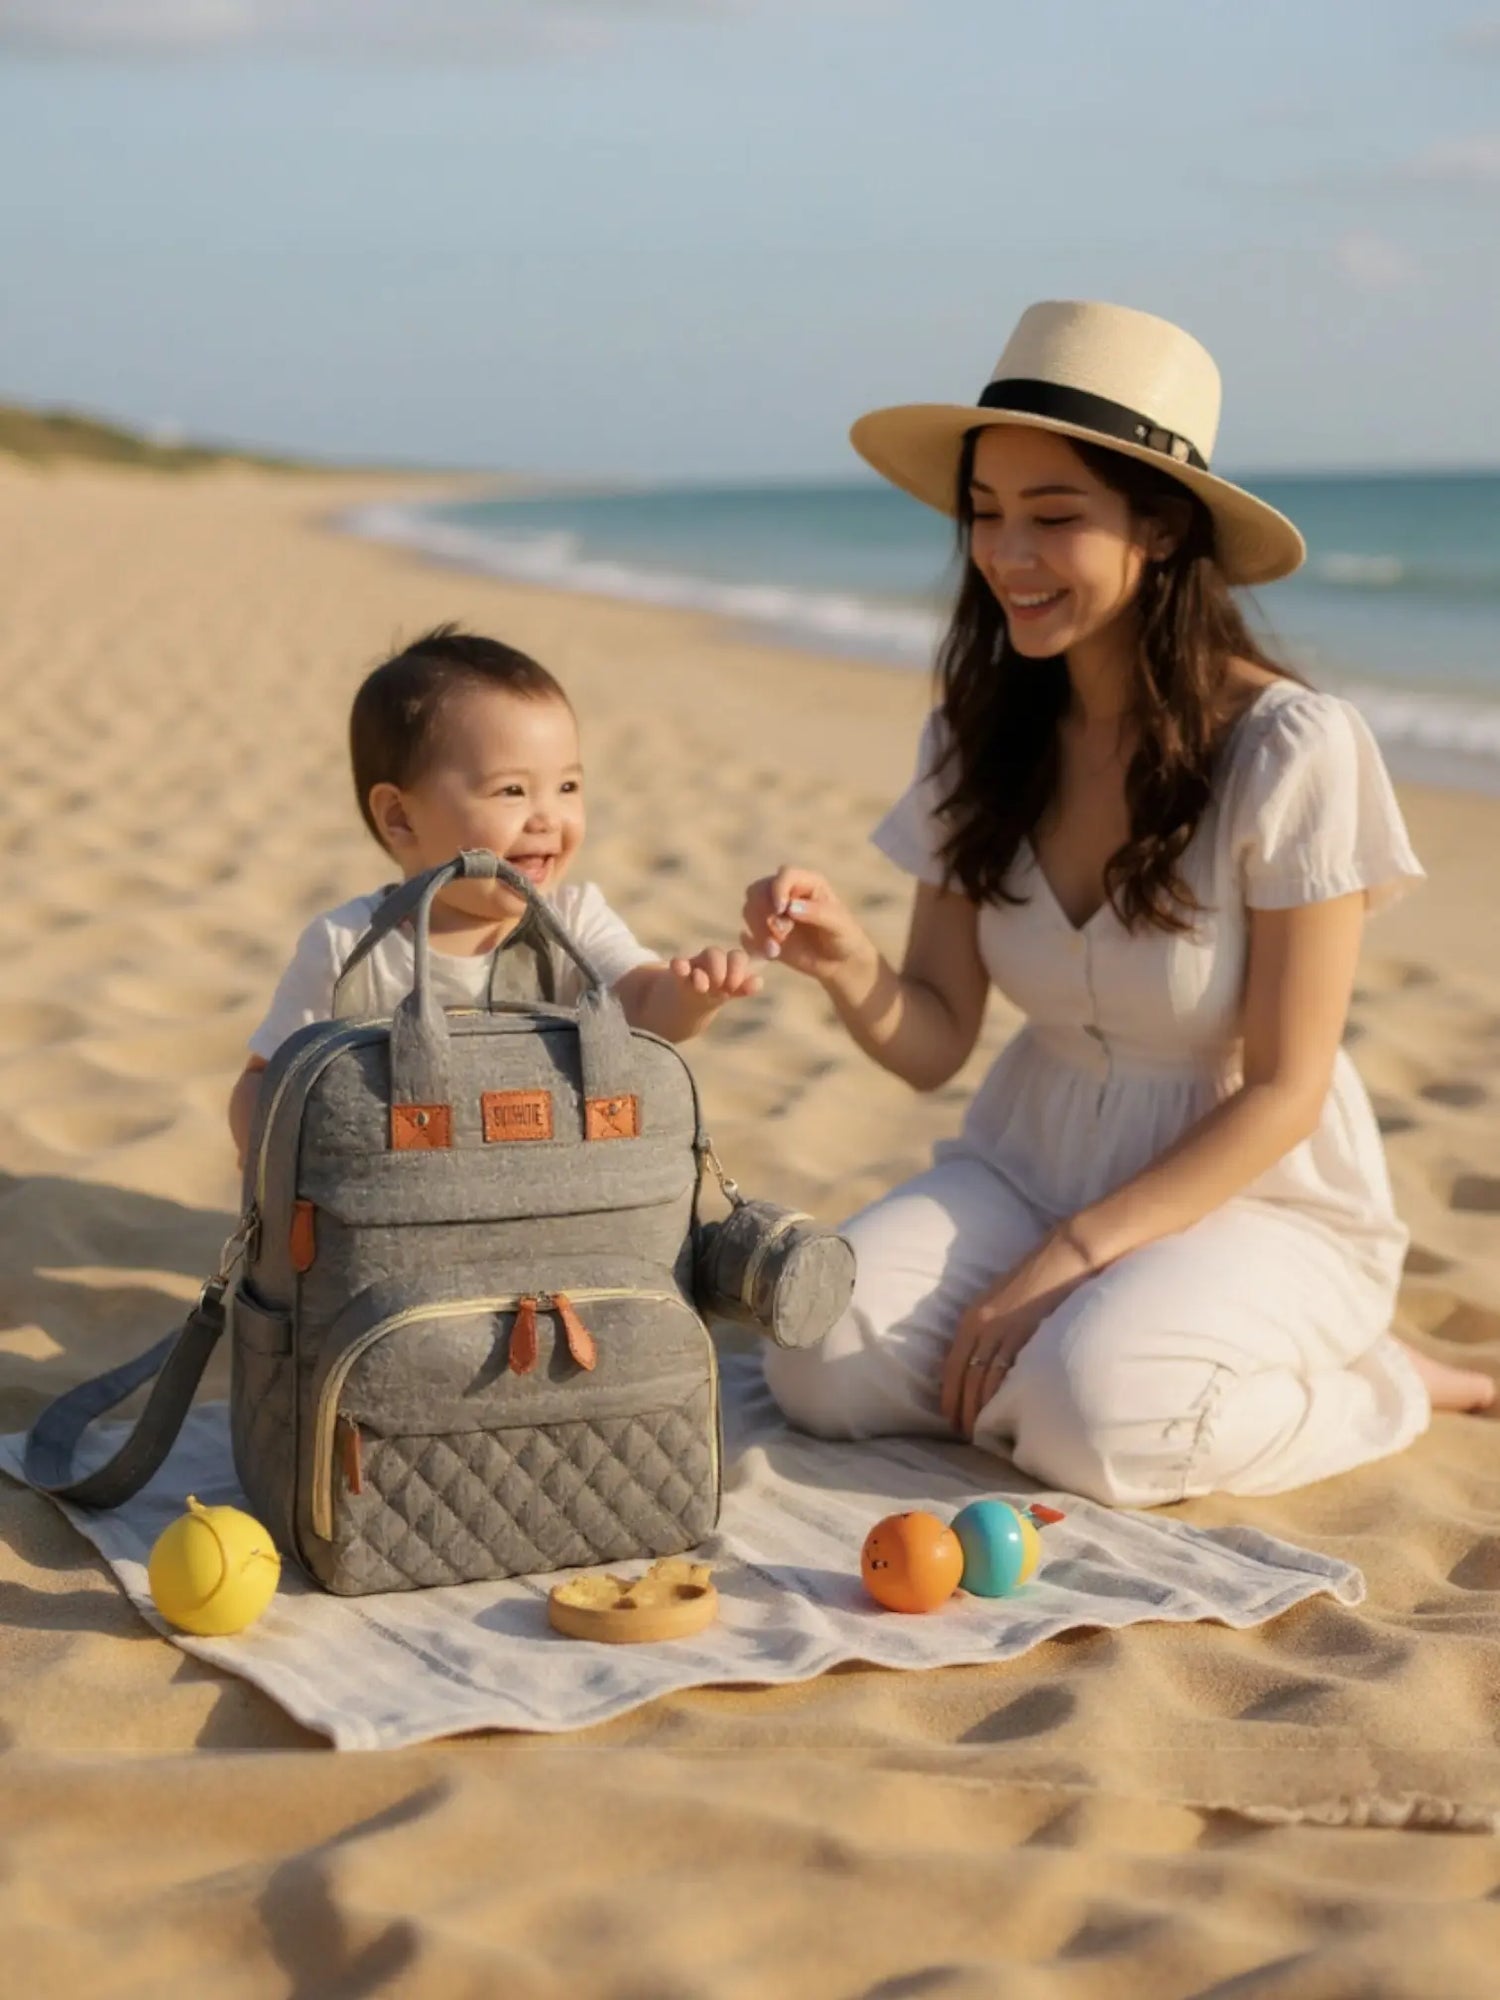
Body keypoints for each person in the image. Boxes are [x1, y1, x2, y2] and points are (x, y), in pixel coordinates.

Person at [741, 299, 1493, 1509]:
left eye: (1053, 518)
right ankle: (1091, 1347)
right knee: (819, 1358)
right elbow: (933, 1035)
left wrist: (1074, 1258)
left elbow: (1289, 1088)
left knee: (1095, 1419)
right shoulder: (975, 736)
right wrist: (842, 961)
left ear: (1157, 526)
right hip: (1031, 1157)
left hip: (1253, 1195)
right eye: (985, 515)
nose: (1006, 556)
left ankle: (1388, 1381)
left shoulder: (1292, 746)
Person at [229, 624, 760, 1164]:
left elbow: (646, 1006)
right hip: (394, 1215)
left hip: (542, 1201)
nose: (548, 816)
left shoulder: (572, 921)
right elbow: (263, 1081)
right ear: (400, 817)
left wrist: (694, 996)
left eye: (568, 786)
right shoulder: (349, 947)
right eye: (512, 791)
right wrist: (280, 1164)